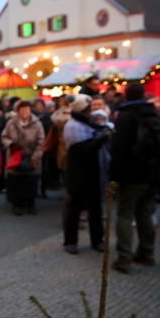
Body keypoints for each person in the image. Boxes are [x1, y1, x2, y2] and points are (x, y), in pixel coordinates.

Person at [110, 83, 160, 273]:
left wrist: (114, 176)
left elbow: (118, 149)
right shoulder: (155, 115)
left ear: (126, 95)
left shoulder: (126, 117)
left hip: (131, 174)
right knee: (145, 212)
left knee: (125, 214)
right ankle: (147, 253)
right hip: (153, 173)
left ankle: (124, 258)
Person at [61, 95, 109, 254]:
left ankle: (97, 239)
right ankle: (70, 241)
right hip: (78, 172)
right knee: (74, 207)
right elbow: (80, 150)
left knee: (95, 207)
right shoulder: (72, 126)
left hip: (92, 170)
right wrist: (99, 140)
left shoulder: (88, 122)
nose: (91, 111)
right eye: (88, 108)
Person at [2, 101, 45, 215]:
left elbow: (41, 142)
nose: (25, 112)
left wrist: (35, 156)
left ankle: (30, 204)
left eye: (27, 109)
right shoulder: (11, 123)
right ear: (18, 111)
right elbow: (4, 137)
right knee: (16, 181)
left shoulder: (37, 123)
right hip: (15, 156)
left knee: (31, 181)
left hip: (32, 155)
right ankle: (17, 204)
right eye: (22, 110)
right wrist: (10, 144)